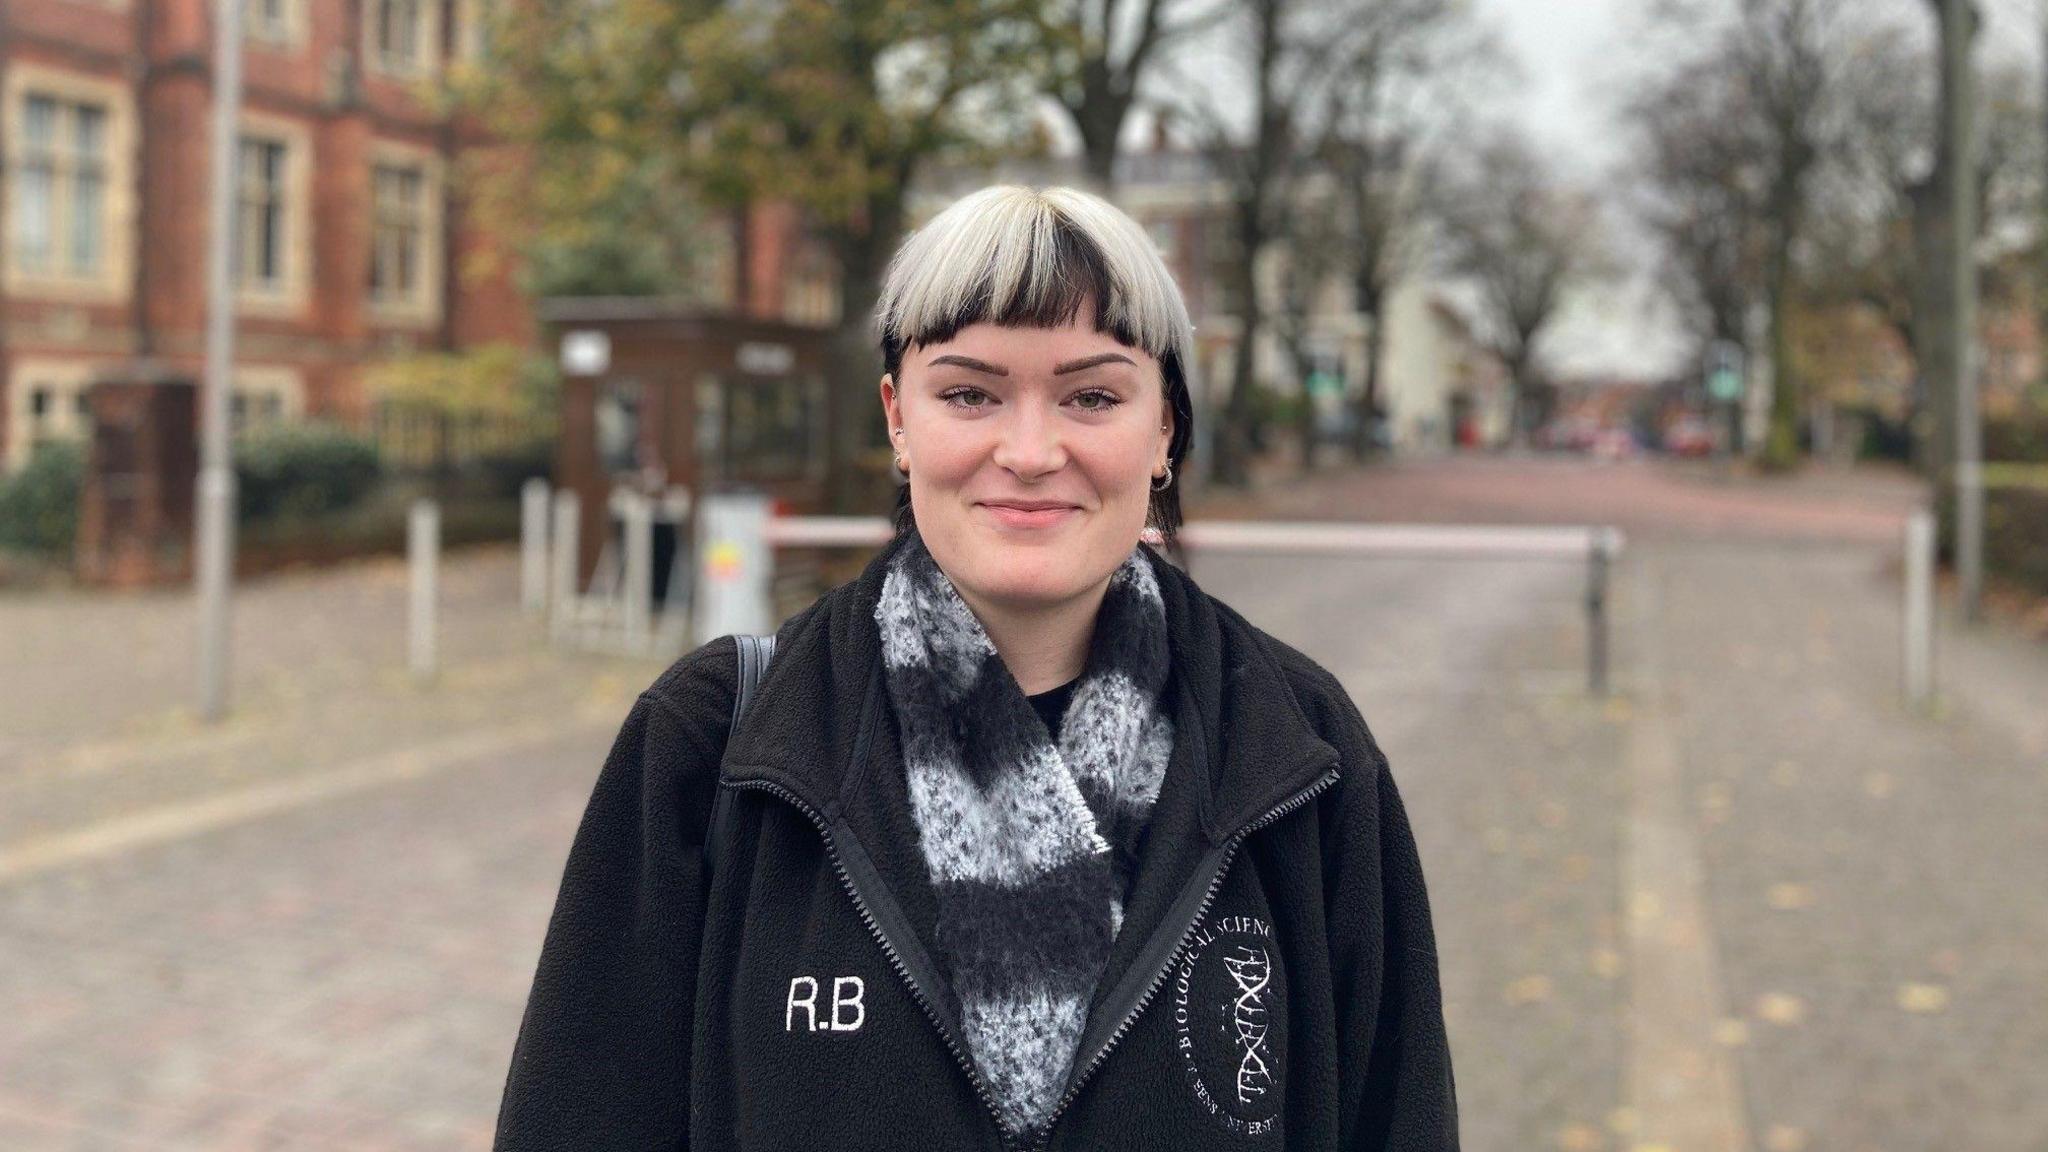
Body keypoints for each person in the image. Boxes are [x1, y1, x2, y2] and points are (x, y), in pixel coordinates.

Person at [494, 185, 1458, 1150]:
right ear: (897, 419)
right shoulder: (715, 744)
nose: (1031, 452)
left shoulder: (1301, 755)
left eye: (1092, 395)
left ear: (1163, 426)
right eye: (968, 393)